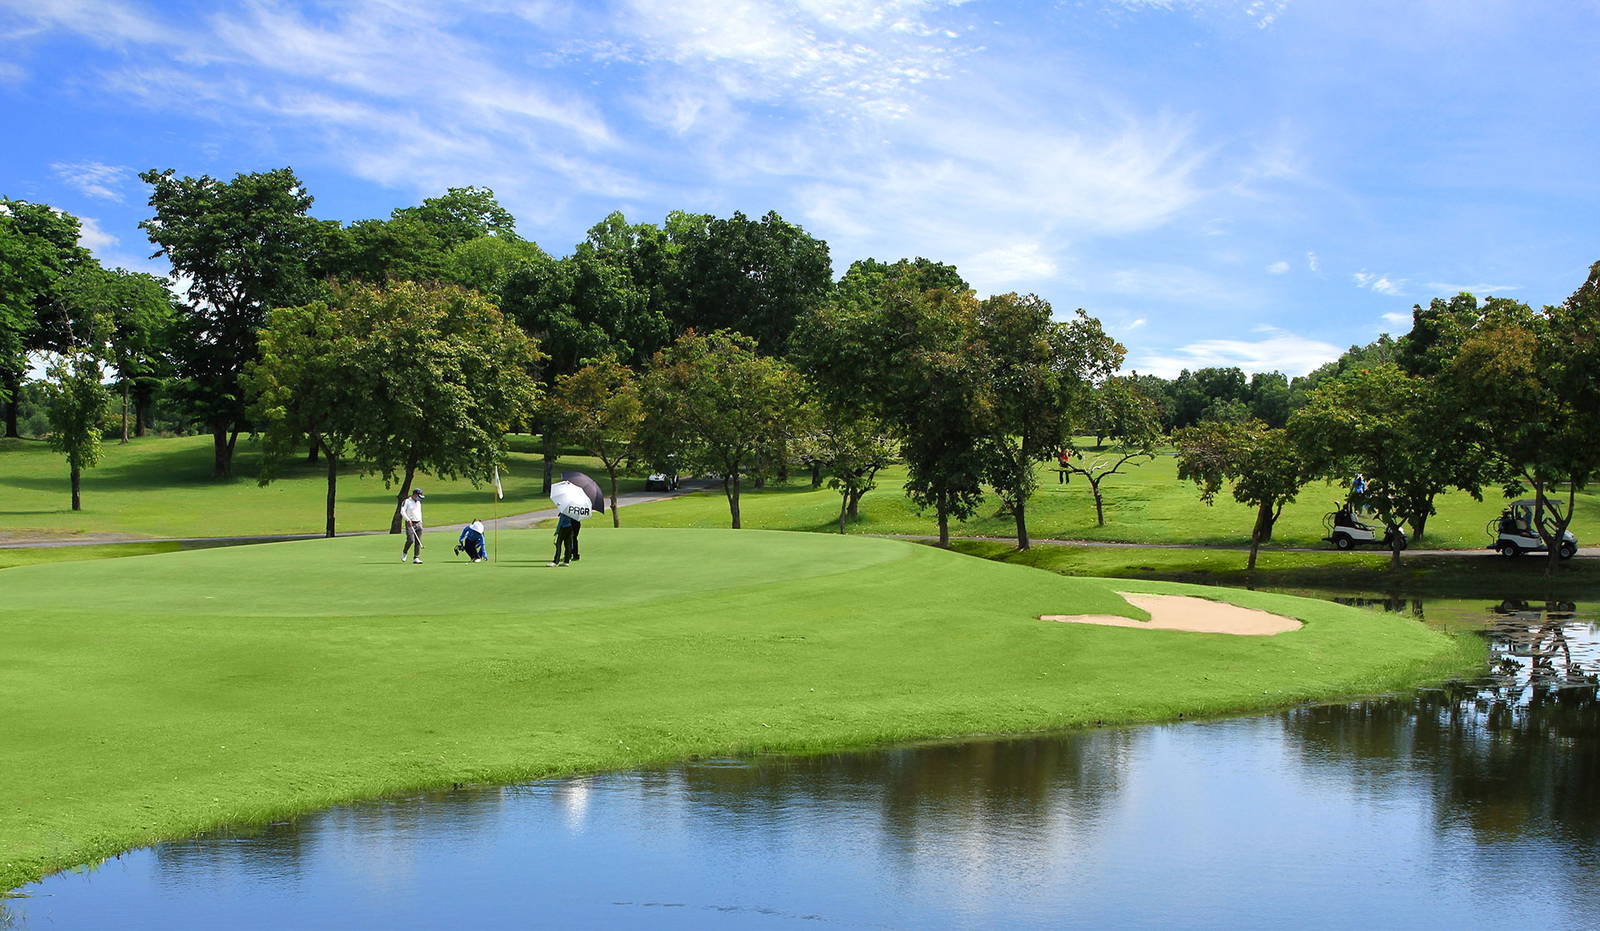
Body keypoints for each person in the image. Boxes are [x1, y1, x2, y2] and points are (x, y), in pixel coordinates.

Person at [400, 488, 425, 564]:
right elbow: (402, 511)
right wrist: (407, 519)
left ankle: (416, 557)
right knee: (411, 540)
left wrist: (420, 521)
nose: (419, 498)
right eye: (418, 496)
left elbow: (419, 512)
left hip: (418, 523)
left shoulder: (418, 502)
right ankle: (404, 552)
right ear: (414, 494)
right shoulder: (407, 501)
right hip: (410, 523)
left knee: (418, 541)